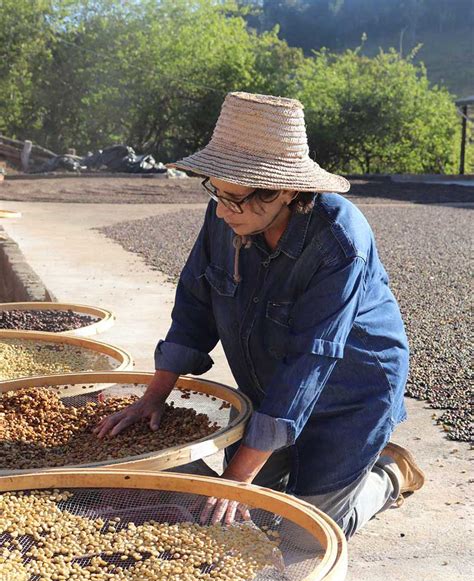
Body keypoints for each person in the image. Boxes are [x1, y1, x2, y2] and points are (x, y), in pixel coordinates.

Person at [94, 92, 424, 538]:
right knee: (243, 520)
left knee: (304, 534)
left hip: (348, 393)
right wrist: (153, 397)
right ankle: (289, 470)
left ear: (287, 189)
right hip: (267, 384)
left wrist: (239, 480)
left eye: (237, 199)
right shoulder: (225, 215)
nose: (224, 210)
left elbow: (313, 361)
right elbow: (194, 304)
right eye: (217, 192)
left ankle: (386, 474)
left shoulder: (339, 242)